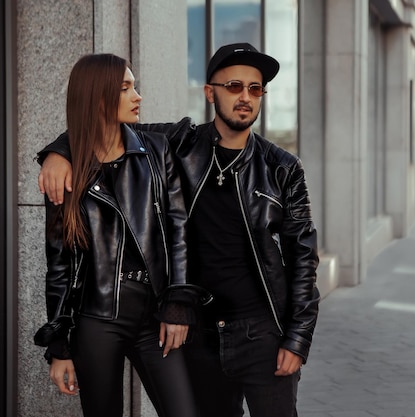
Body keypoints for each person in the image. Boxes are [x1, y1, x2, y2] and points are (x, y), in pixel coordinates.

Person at [37, 43, 320, 417]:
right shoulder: (178, 145)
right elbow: (100, 129)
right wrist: (59, 152)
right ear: (210, 92)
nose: (246, 97)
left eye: (256, 89)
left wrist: (297, 337)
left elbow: (303, 256)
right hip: (198, 330)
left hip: (260, 330)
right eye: (234, 86)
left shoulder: (282, 167)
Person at [33, 53, 209, 417]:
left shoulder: (157, 151)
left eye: (135, 86)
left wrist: (177, 305)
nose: (138, 96)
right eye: (126, 88)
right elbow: (60, 266)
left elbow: (178, 233)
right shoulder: (66, 173)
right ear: (99, 98)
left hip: (155, 314)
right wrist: (60, 347)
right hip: (96, 320)